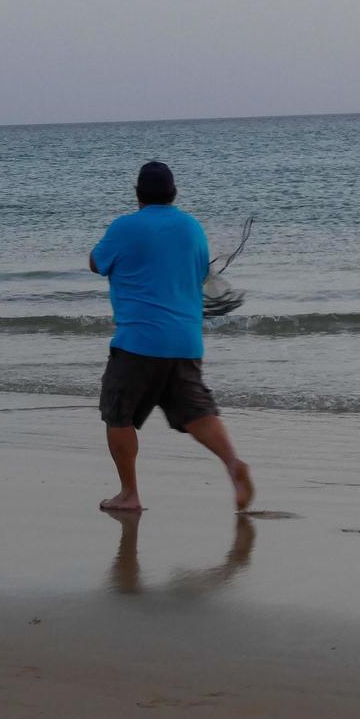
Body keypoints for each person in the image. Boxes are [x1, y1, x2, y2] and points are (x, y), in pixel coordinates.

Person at [88, 161, 254, 512]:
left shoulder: (125, 227)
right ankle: (233, 464)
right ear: (173, 193)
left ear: (138, 194)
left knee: (118, 415)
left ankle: (129, 493)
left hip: (138, 343)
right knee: (196, 412)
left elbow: (96, 262)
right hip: (185, 341)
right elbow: (198, 275)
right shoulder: (192, 227)